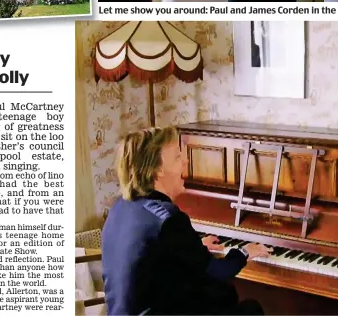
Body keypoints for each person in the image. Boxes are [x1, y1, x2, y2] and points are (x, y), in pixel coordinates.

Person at [102, 127, 272, 315]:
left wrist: (195, 247)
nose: (186, 160)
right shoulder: (168, 219)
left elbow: (153, 255)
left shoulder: (119, 207)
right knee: (250, 308)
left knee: (220, 295)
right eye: (177, 157)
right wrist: (244, 251)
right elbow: (219, 271)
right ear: (157, 170)